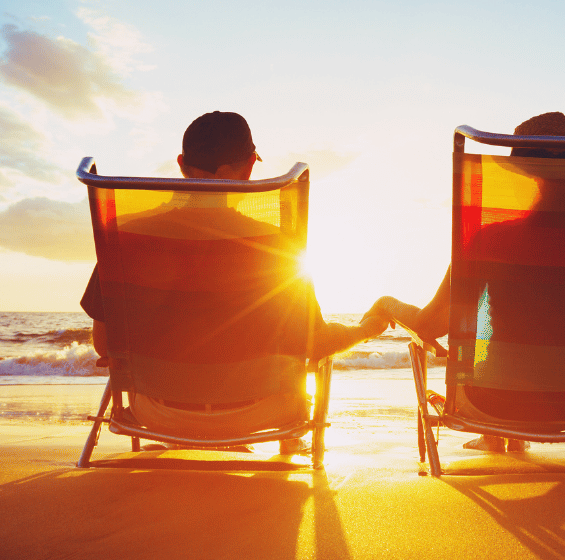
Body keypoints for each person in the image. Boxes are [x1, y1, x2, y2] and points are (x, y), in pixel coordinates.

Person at [81, 111, 389, 453]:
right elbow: (314, 344)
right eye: (251, 164)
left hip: (155, 414)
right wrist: (365, 329)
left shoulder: (128, 239)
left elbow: (104, 345)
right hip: (260, 414)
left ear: (182, 164)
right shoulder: (277, 248)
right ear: (232, 173)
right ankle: (286, 443)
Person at [373, 112, 565, 453]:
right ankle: (503, 437)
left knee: (498, 355)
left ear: (528, 176)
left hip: (496, 402)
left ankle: (496, 433)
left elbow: (430, 325)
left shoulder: (492, 239)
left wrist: (387, 304)